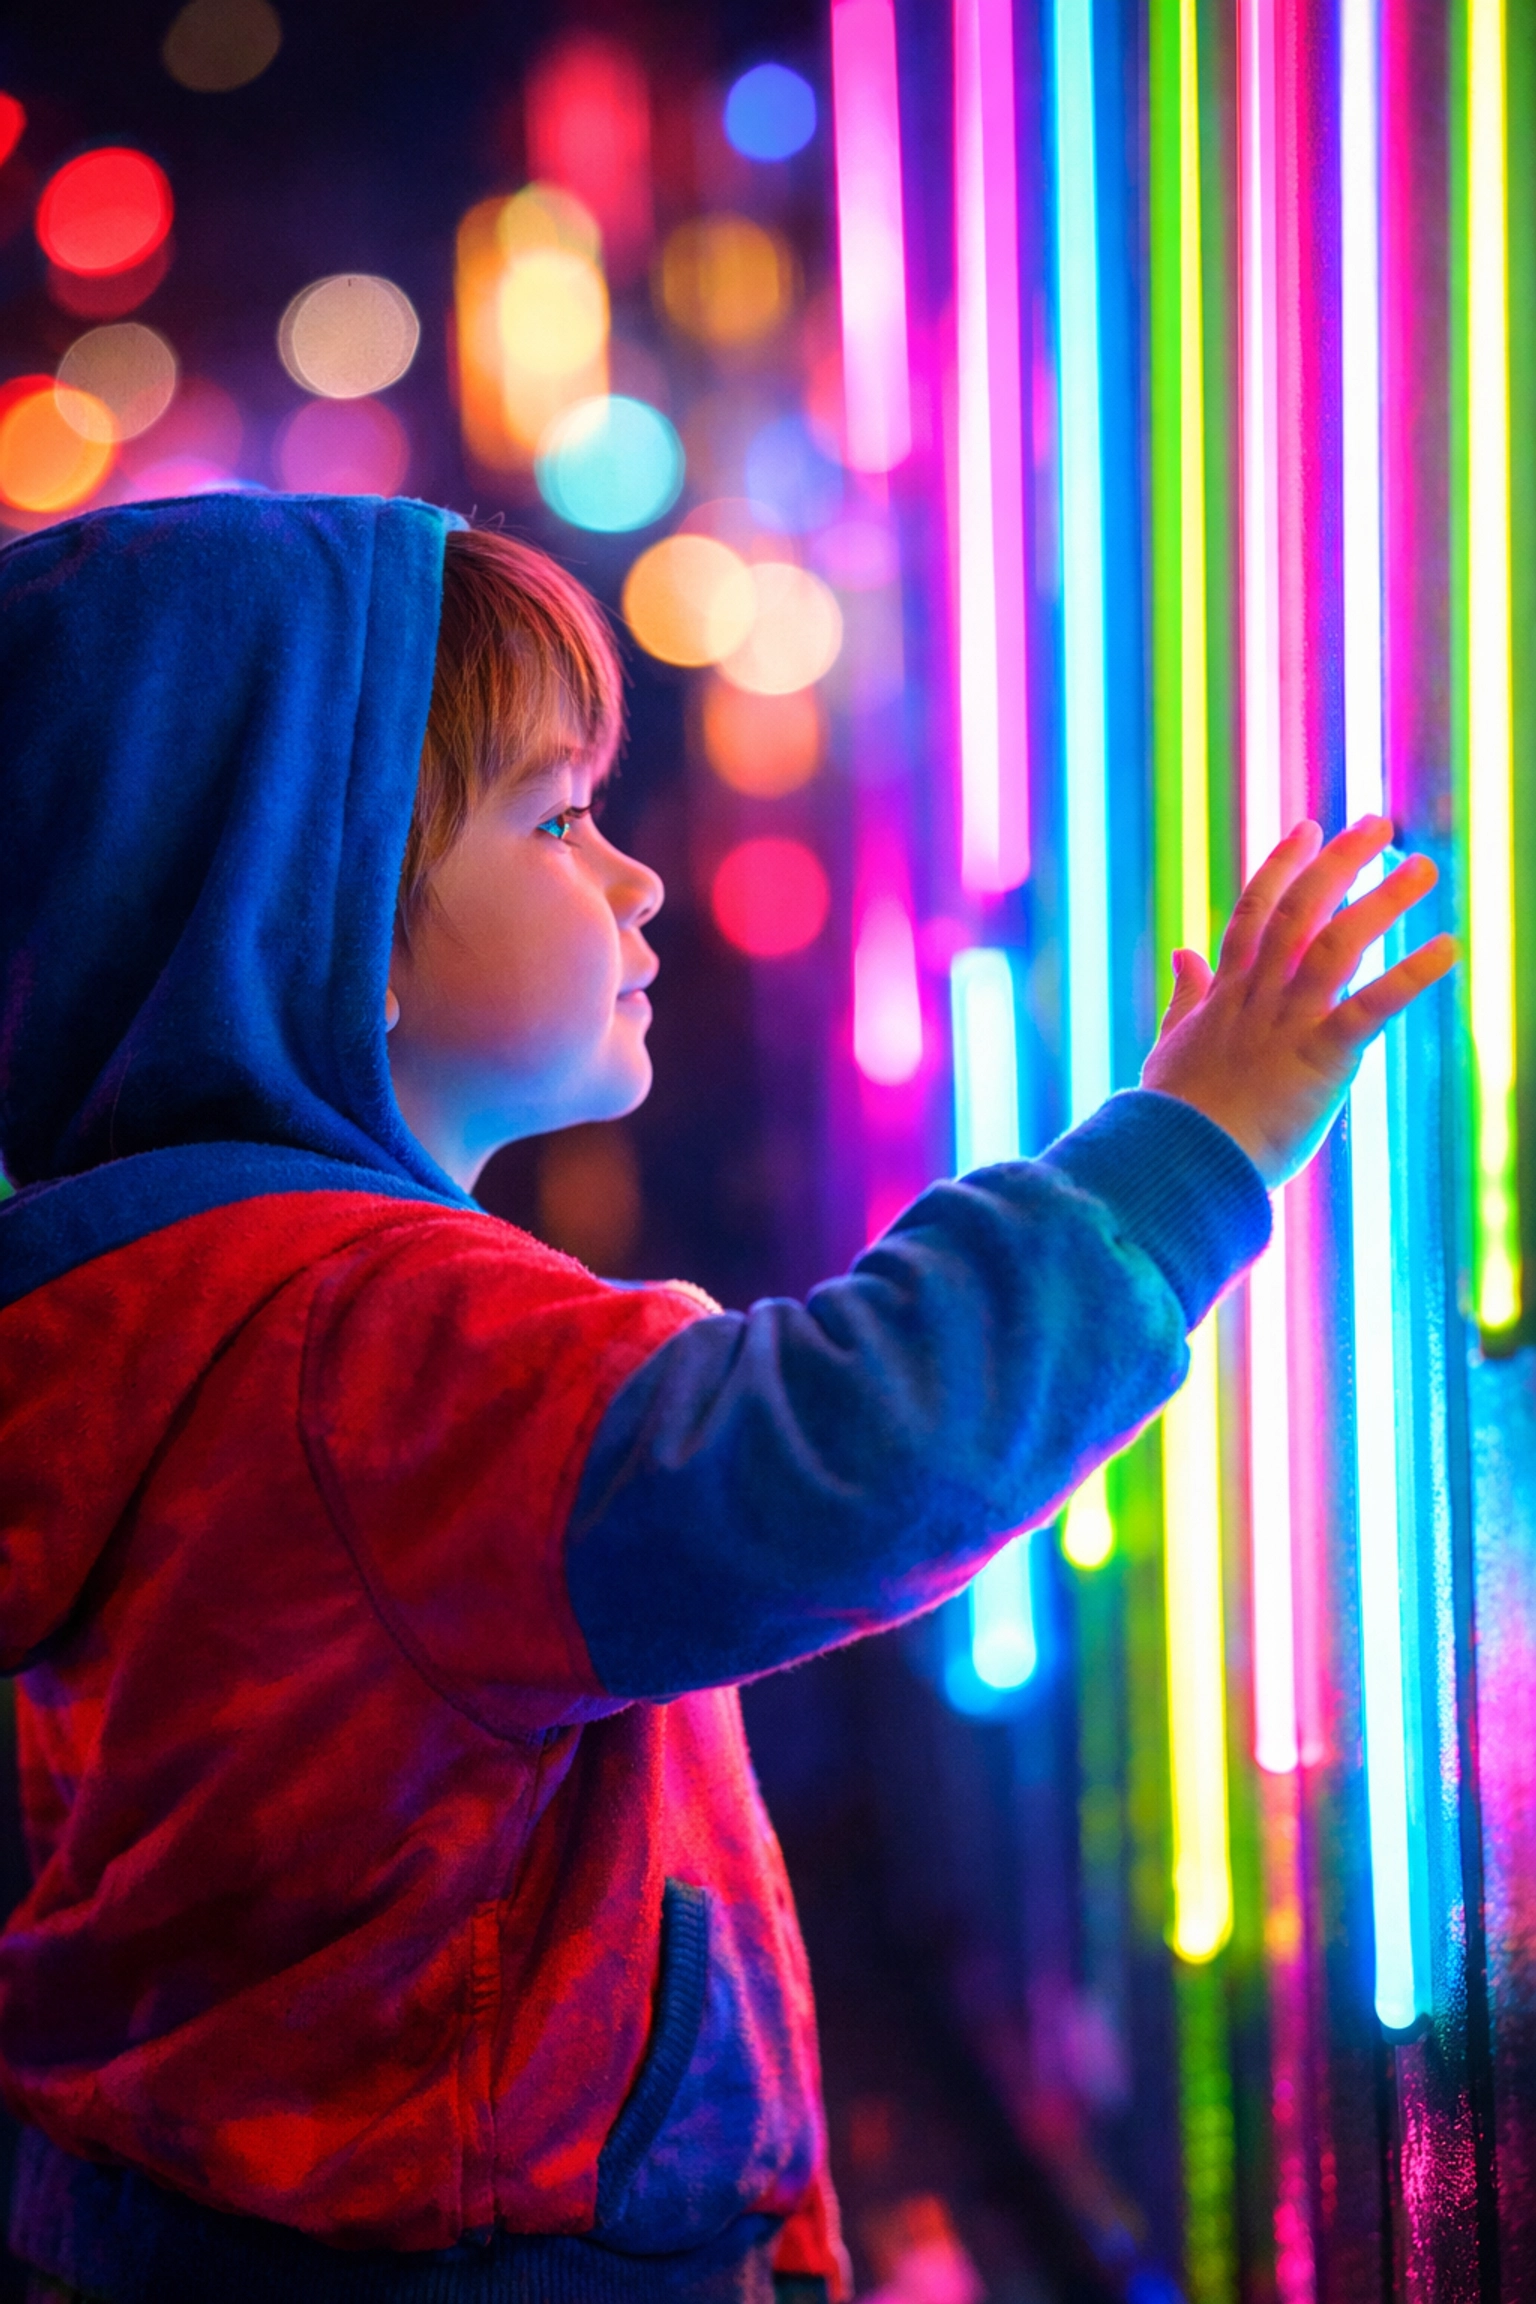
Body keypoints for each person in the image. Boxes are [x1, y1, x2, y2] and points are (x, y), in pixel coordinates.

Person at [0, 497, 1453, 2304]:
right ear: (320, 925)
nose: (640, 876)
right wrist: (1193, 1149)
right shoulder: (369, 1356)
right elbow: (831, 1458)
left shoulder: (134, 1323)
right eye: (561, 817)